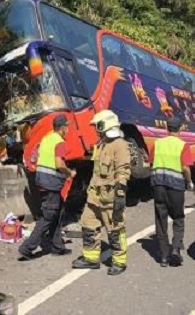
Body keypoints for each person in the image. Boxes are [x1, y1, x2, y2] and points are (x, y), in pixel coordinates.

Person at [72, 110, 131, 276]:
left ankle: (119, 261)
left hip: (110, 198)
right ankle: (91, 258)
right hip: (94, 197)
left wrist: (120, 196)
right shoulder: (102, 144)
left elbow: (123, 171)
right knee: (88, 224)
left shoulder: (120, 145)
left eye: (98, 126)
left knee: (114, 229)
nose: (96, 129)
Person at [18, 115, 75, 260]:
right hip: (51, 183)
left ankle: (57, 246)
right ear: (62, 128)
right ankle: (27, 247)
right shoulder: (59, 142)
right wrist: (70, 172)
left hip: (42, 180)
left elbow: (37, 157)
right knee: (49, 216)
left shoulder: (47, 138)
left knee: (57, 212)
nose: (68, 129)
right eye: (67, 126)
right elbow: (59, 164)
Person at [150, 118, 194, 267]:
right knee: (178, 217)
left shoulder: (157, 144)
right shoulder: (183, 145)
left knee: (161, 220)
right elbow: (186, 167)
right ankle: (175, 249)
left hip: (159, 186)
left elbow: (150, 162)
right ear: (180, 128)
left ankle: (163, 256)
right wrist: (189, 182)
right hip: (175, 187)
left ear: (167, 128)